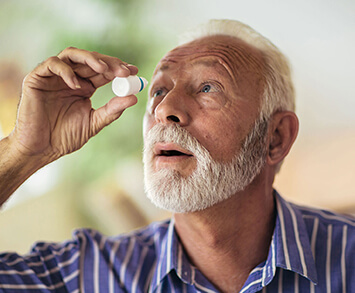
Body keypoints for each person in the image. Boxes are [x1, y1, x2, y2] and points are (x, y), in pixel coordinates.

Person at [0, 19, 354, 293]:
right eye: (158, 90)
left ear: (275, 138)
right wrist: (23, 151)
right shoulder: (90, 274)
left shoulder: (347, 259)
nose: (165, 108)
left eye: (207, 88)